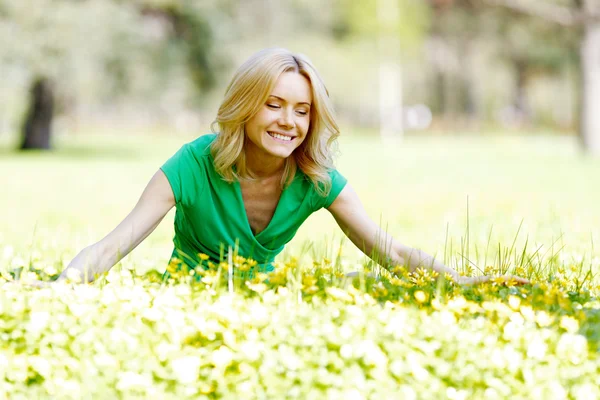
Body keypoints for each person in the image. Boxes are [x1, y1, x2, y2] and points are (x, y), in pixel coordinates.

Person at [46, 48, 527, 286]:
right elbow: (113, 245)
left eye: (302, 110)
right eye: (273, 104)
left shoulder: (317, 180)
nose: (288, 122)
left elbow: (392, 252)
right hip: (184, 303)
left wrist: (466, 281)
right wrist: (60, 287)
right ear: (246, 106)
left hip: (263, 306)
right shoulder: (193, 164)